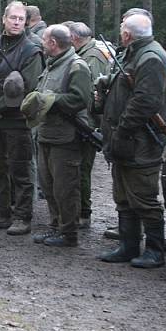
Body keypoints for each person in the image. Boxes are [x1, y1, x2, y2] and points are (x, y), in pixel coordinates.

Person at [97, 11, 166, 268]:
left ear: (127, 34)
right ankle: (128, 246)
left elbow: (145, 102)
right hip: (126, 140)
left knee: (144, 197)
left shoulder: (150, 57)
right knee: (123, 195)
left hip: (139, 142)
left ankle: (154, 251)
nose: (120, 31)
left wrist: (122, 131)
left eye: (121, 29)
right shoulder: (135, 52)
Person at [0, 1, 44, 235]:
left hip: (17, 121)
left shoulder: (32, 49)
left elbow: (29, 88)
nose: (16, 22)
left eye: (20, 19)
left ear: (25, 22)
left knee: (20, 170)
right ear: (4, 19)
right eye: (12, 18)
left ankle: (22, 216)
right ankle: (0, 213)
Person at [22, 25, 91, 247]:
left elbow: (80, 100)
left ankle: (68, 232)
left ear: (53, 43)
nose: (41, 43)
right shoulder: (52, 65)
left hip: (66, 138)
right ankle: (55, 226)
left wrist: (49, 99)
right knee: (49, 185)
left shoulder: (77, 66)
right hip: (47, 133)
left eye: (44, 40)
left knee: (65, 188)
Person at [69, 21, 109, 229]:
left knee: (82, 168)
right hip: (83, 120)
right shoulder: (87, 53)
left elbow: (91, 94)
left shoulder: (91, 57)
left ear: (75, 39)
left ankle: (84, 212)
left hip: (88, 122)